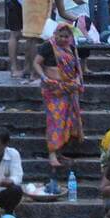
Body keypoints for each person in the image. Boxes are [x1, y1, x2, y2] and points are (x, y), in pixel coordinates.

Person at [34, 22, 84, 168]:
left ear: (70, 37)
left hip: (69, 90)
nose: (63, 39)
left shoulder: (72, 48)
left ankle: (59, 152)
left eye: (66, 37)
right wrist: (44, 77)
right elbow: (36, 63)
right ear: (55, 35)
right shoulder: (48, 46)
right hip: (53, 90)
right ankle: (52, 154)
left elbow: (77, 69)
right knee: (55, 120)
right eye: (60, 36)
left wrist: (77, 80)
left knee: (66, 121)